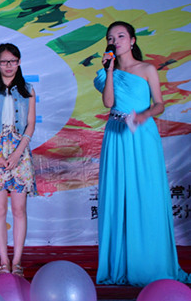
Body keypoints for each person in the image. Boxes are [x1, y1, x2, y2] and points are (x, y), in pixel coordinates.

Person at [94, 21, 190, 286]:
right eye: (111, 37)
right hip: (116, 134)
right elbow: (109, 102)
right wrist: (109, 70)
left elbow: (159, 104)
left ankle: (149, 263)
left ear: (133, 40)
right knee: (118, 195)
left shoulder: (147, 69)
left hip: (141, 134)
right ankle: (120, 263)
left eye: (121, 36)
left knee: (145, 193)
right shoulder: (106, 73)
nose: (115, 41)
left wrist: (143, 115)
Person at [0, 43, 37, 277]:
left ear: (19, 62)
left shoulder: (28, 90)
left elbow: (30, 124)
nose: (8, 66)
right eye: (4, 62)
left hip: (19, 150)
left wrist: (17, 153)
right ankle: (4, 261)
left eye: (12, 61)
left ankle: (18, 261)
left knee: (20, 209)